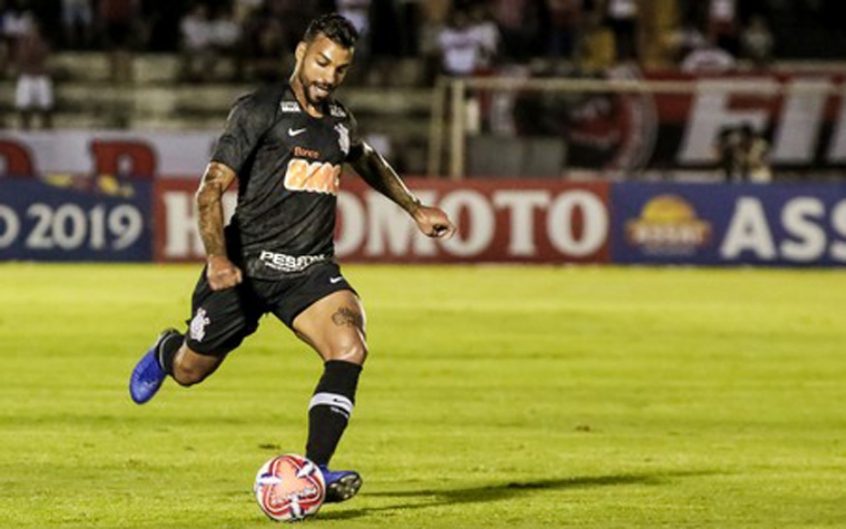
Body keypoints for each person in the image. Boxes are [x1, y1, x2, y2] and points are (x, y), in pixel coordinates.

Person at [128, 13, 456, 505]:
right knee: (191, 371)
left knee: (350, 347)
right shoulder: (259, 110)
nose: (329, 77)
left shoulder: (339, 122)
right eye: (322, 62)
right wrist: (217, 259)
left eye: (341, 69)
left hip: (309, 270)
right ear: (301, 53)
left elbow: (364, 157)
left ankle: (313, 472)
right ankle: (166, 350)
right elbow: (209, 189)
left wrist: (413, 207)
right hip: (244, 269)